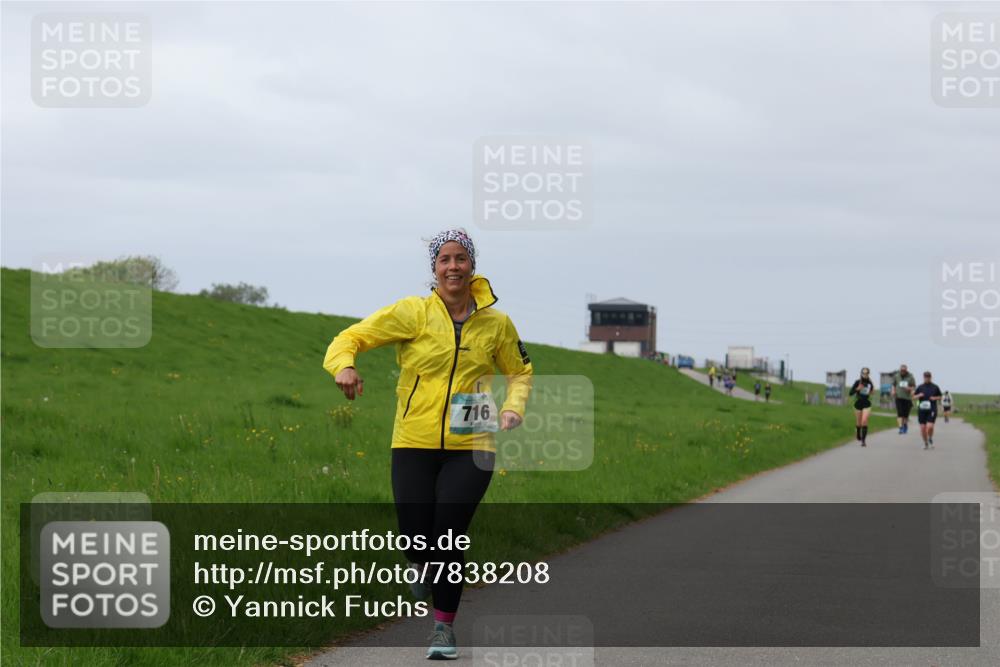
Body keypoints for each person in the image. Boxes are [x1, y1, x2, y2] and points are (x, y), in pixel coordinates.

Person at [322, 229, 533, 660]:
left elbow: (520, 372)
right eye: (444, 260)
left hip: (473, 442)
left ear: (472, 266)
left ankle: (443, 630)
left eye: (461, 259)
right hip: (413, 441)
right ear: (434, 269)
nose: (453, 266)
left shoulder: (497, 323)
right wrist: (344, 366)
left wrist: (513, 408)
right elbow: (350, 338)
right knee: (417, 536)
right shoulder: (412, 313)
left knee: (450, 536)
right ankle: (420, 564)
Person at [913, 371, 943, 449]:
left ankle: (930, 438)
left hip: (932, 409)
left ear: (931, 377)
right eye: (925, 377)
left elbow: (940, 396)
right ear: (923, 377)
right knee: (923, 428)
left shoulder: (935, 387)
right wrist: (919, 395)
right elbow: (913, 397)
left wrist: (934, 398)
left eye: (928, 377)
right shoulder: (920, 387)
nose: (927, 378)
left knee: (930, 427)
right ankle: (926, 443)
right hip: (922, 409)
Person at [848, 367, 875, 446]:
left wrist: (872, 392)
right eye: (863, 373)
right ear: (861, 373)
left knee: (864, 421)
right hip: (858, 403)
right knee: (859, 423)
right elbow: (850, 393)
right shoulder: (857, 382)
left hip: (867, 403)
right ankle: (858, 433)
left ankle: (863, 441)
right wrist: (857, 389)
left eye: (866, 373)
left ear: (868, 374)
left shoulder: (870, 383)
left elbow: (872, 391)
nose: (865, 374)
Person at [890, 363, 917, 435]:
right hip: (898, 397)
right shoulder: (896, 376)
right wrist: (893, 391)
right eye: (901, 370)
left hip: (907, 398)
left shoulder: (910, 377)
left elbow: (914, 387)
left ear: (906, 370)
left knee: (905, 415)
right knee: (900, 414)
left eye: (904, 370)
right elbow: (893, 385)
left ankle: (905, 425)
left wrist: (910, 388)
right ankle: (900, 427)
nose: (902, 371)